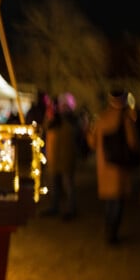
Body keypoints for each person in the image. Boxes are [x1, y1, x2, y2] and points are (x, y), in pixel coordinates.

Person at [87, 89, 140, 245]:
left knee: (109, 200)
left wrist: (88, 134)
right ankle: (112, 233)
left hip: (105, 166)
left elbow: (92, 143)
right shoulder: (126, 118)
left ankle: (108, 228)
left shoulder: (101, 117)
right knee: (118, 200)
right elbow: (133, 143)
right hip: (120, 166)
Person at [40, 92, 82, 220]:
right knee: (54, 184)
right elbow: (45, 128)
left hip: (66, 157)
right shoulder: (53, 118)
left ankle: (71, 208)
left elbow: (76, 134)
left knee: (68, 185)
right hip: (54, 156)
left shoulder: (71, 120)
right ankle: (55, 206)